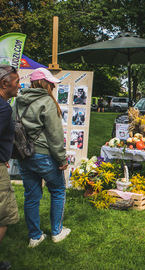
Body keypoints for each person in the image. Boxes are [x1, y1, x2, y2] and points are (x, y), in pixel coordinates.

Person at [13, 68, 70, 248]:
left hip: (24, 155)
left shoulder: (18, 100)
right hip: (44, 155)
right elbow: (55, 135)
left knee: (31, 195)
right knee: (58, 190)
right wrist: (62, 159)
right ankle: (57, 232)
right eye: (51, 82)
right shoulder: (47, 101)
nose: (53, 85)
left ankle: (35, 237)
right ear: (44, 83)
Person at [0, 64, 20, 270]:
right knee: (3, 215)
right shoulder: (3, 107)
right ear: (4, 83)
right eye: (16, 82)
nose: (19, 86)